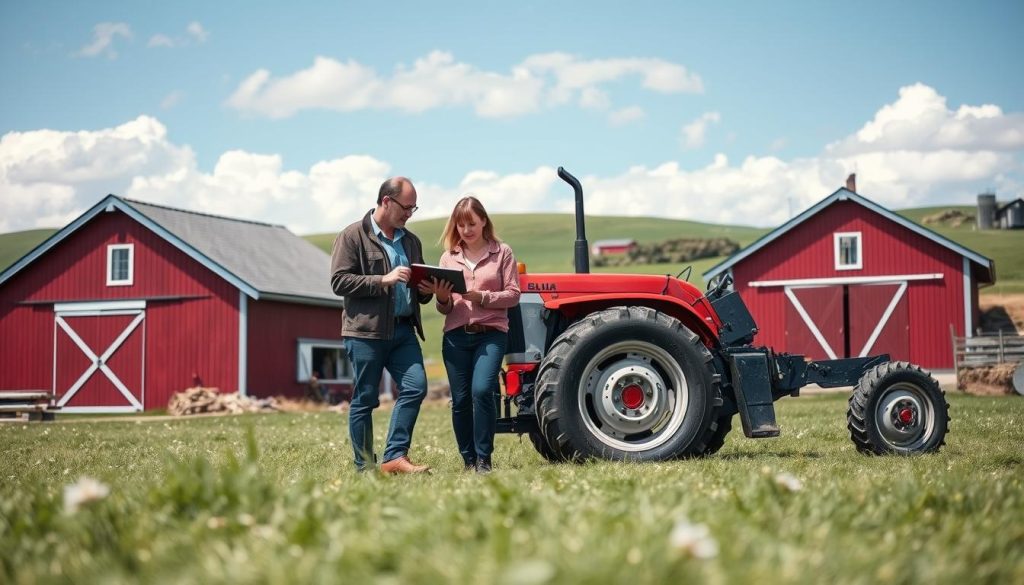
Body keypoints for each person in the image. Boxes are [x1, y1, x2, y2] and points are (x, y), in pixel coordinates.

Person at [330, 176, 434, 474]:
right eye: (406, 207)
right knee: (365, 399)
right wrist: (382, 280)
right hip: (366, 333)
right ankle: (364, 467)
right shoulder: (352, 236)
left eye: (414, 209)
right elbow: (339, 281)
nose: (409, 214)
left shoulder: (411, 241)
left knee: (415, 387)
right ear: (386, 201)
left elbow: (417, 286)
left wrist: (426, 291)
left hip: (403, 330)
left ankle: (394, 457)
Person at [427, 196, 521, 473]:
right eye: (461, 224)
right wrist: (442, 298)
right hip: (455, 336)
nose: (467, 229)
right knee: (460, 400)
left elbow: (514, 295)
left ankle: (484, 459)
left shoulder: (502, 252)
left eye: (472, 223)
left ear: (483, 221)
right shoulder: (448, 257)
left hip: (491, 333)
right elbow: (444, 308)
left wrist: (483, 297)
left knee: (482, 391)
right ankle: (468, 460)